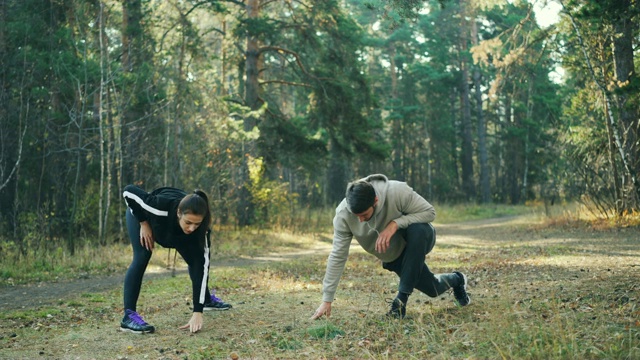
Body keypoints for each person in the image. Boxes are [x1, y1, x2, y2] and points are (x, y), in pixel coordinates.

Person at [311, 174, 470, 320]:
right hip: (394, 255)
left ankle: (400, 303)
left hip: (419, 239)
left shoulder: (396, 191)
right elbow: (338, 256)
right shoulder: (342, 216)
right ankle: (458, 279)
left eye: (364, 215)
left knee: (418, 229)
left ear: (375, 201)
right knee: (433, 289)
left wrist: (395, 224)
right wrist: (327, 299)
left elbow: (429, 212)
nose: (360, 221)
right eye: (356, 216)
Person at [120, 184, 232, 334]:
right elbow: (128, 191)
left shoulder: (201, 231)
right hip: (147, 219)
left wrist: (197, 312)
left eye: (196, 224)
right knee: (142, 256)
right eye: (188, 223)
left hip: (175, 234)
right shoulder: (157, 206)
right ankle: (129, 317)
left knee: (196, 261)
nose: (192, 228)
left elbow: (202, 267)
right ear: (179, 213)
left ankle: (204, 300)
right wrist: (143, 222)